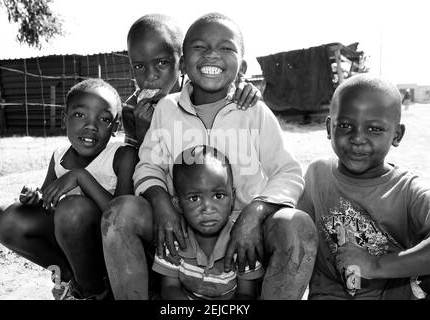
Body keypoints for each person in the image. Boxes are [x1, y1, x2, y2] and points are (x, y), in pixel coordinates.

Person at [101, 12, 318, 300]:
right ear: (183, 61)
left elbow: (288, 172)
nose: (212, 55)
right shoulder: (166, 109)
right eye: (200, 47)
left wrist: (253, 215)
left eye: (226, 48)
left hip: (246, 232)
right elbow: (148, 166)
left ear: (241, 65)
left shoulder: (253, 111)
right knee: (120, 213)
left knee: (298, 226)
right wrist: (162, 204)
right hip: (180, 227)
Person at [0, 78, 136, 300]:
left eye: (104, 119)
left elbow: (122, 219)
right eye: (79, 115)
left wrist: (81, 177)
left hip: (108, 254)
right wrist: (33, 196)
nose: (91, 125)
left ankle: (95, 292)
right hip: (69, 250)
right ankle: (69, 277)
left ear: (115, 127)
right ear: (63, 118)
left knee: (73, 209)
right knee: (5, 219)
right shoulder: (59, 156)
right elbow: (46, 203)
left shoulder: (121, 156)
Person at [297, 74, 430, 299]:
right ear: (330, 127)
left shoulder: (407, 190)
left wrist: (376, 265)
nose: (358, 138)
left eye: (375, 129)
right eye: (346, 125)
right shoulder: (316, 175)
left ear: (397, 135)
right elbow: (296, 239)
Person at [122, 13, 261, 149]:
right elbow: (133, 166)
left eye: (162, 63)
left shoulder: (199, 92)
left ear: (182, 65)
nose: (151, 75)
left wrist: (245, 89)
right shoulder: (132, 110)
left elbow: (227, 80)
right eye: (139, 66)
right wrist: (144, 133)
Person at [153, 145, 264, 300]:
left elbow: (246, 294)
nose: (207, 209)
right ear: (178, 204)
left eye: (218, 196)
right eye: (194, 198)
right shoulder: (175, 240)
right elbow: (169, 289)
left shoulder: (242, 243)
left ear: (232, 197)